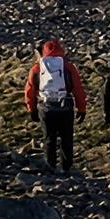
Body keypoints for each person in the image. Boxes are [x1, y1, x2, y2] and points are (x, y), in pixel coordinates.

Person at [25, 40, 87, 173]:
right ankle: (66, 168)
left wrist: (32, 109)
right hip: (65, 106)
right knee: (66, 138)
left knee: (49, 138)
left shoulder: (37, 68)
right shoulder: (68, 67)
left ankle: (50, 167)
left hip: (46, 107)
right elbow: (78, 89)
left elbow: (29, 90)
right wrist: (81, 108)